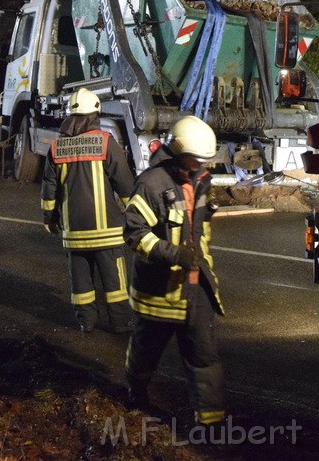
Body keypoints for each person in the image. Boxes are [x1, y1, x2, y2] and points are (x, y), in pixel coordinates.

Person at [123, 115, 226, 425]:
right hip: (159, 289)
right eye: (195, 160)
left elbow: (200, 229)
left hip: (195, 288)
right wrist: (174, 254)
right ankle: (136, 396)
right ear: (178, 152)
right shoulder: (152, 183)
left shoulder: (201, 179)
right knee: (145, 352)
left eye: (203, 161)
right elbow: (134, 233)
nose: (200, 166)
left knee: (204, 358)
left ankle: (211, 425)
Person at [41, 88, 136, 334]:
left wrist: (49, 219)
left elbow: (49, 191)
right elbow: (124, 184)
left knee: (80, 282)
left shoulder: (56, 147)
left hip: (74, 232)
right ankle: (121, 323)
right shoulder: (106, 143)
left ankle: (86, 322)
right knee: (115, 282)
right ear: (95, 113)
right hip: (107, 231)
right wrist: (136, 215)